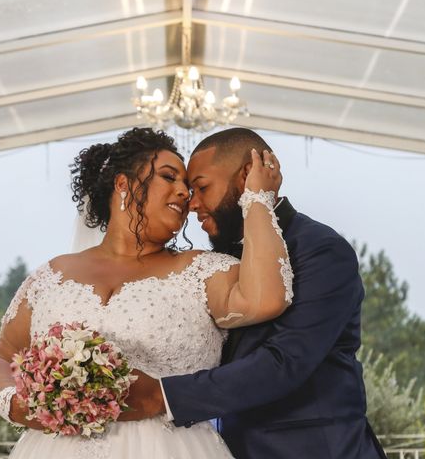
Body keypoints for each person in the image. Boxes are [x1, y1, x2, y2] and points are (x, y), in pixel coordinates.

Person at [0, 127, 293, 458]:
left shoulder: (204, 271)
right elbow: (2, 354)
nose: (185, 193)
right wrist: (16, 405)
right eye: (169, 177)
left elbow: (267, 299)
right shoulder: (52, 275)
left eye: (186, 185)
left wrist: (256, 198)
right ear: (123, 184)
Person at [121, 128, 387, 459]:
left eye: (202, 187)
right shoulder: (221, 262)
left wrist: (162, 396)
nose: (193, 204)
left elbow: (285, 362)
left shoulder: (321, 249)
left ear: (248, 174)